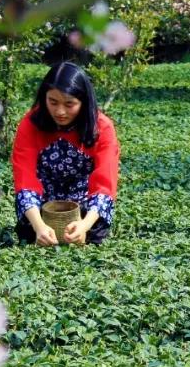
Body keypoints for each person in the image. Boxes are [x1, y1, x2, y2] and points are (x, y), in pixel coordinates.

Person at [12, 62, 120, 245]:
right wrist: (39, 226)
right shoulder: (30, 125)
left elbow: (105, 183)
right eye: (53, 102)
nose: (60, 112)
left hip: (85, 206)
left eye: (70, 104)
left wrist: (84, 225)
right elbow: (25, 179)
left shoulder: (102, 127)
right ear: (43, 98)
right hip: (41, 206)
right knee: (28, 233)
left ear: (83, 102)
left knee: (95, 234)